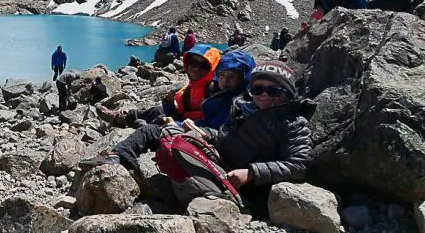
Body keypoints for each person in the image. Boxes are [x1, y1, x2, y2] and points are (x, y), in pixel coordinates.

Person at [93, 60, 315, 209]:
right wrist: (204, 134)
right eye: (258, 89)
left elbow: (300, 165)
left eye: (273, 90)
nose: (264, 95)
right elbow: (224, 137)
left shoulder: (293, 123)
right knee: (167, 131)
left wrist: (251, 173)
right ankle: (119, 157)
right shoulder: (243, 110)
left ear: (288, 93)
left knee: (174, 145)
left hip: (242, 186)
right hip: (219, 162)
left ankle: (175, 196)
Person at [102, 50, 254, 131]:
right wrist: (168, 104)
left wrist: (176, 123)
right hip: (186, 120)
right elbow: (181, 107)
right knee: (157, 110)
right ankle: (123, 117)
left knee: (157, 121)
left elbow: (208, 123)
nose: (195, 68)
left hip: (192, 126)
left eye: (202, 66)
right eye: (192, 63)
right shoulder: (193, 86)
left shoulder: (216, 90)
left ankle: (137, 124)